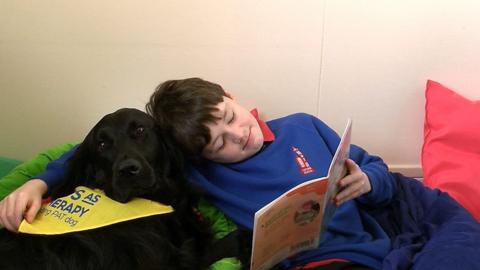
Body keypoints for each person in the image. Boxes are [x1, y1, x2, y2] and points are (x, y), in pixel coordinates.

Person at [4, 78, 480, 270]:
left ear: (232, 98)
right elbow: (86, 149)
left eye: (232, 117)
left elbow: (372, 164)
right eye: (219, 142)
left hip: (381, 234)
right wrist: (40, 181)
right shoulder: (200, 171)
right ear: (198, 153)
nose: (238, 136)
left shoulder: (301, 125)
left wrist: (369, 179)